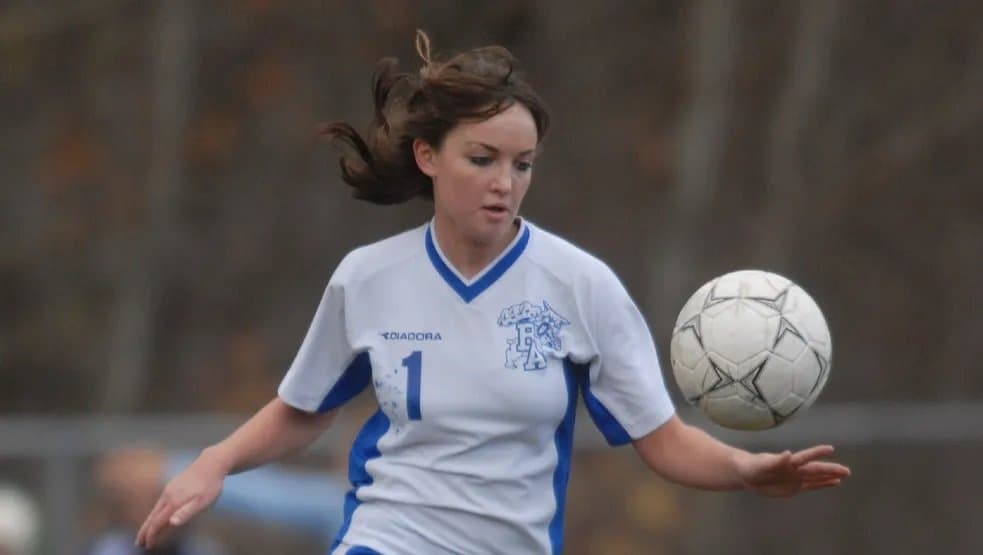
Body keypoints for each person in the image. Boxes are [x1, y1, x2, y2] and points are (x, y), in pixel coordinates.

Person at [137, 30, 851, 554]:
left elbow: (662, 442)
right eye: (482, 159)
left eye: (522, 163)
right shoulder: (368, 278)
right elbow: (303, 409)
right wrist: (216, 460)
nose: (503, 181)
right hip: (386, 538)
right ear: (429, 156)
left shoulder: (581, 286)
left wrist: (742, 468)